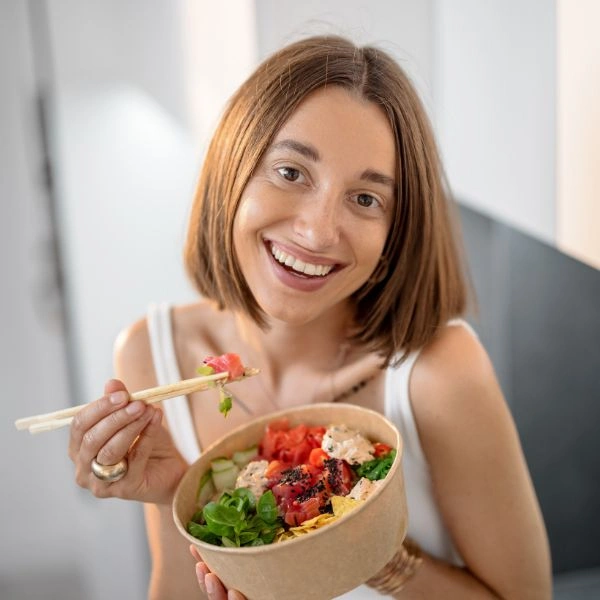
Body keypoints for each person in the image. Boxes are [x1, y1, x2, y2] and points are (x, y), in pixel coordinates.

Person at [67, 35, 552, 599]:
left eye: (366, 199)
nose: (319, 232)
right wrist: (177, 495)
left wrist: (364, 547)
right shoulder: (150, 352)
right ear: (233, 169)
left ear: (395, 234)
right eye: (291, 172)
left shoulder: (441, 373)